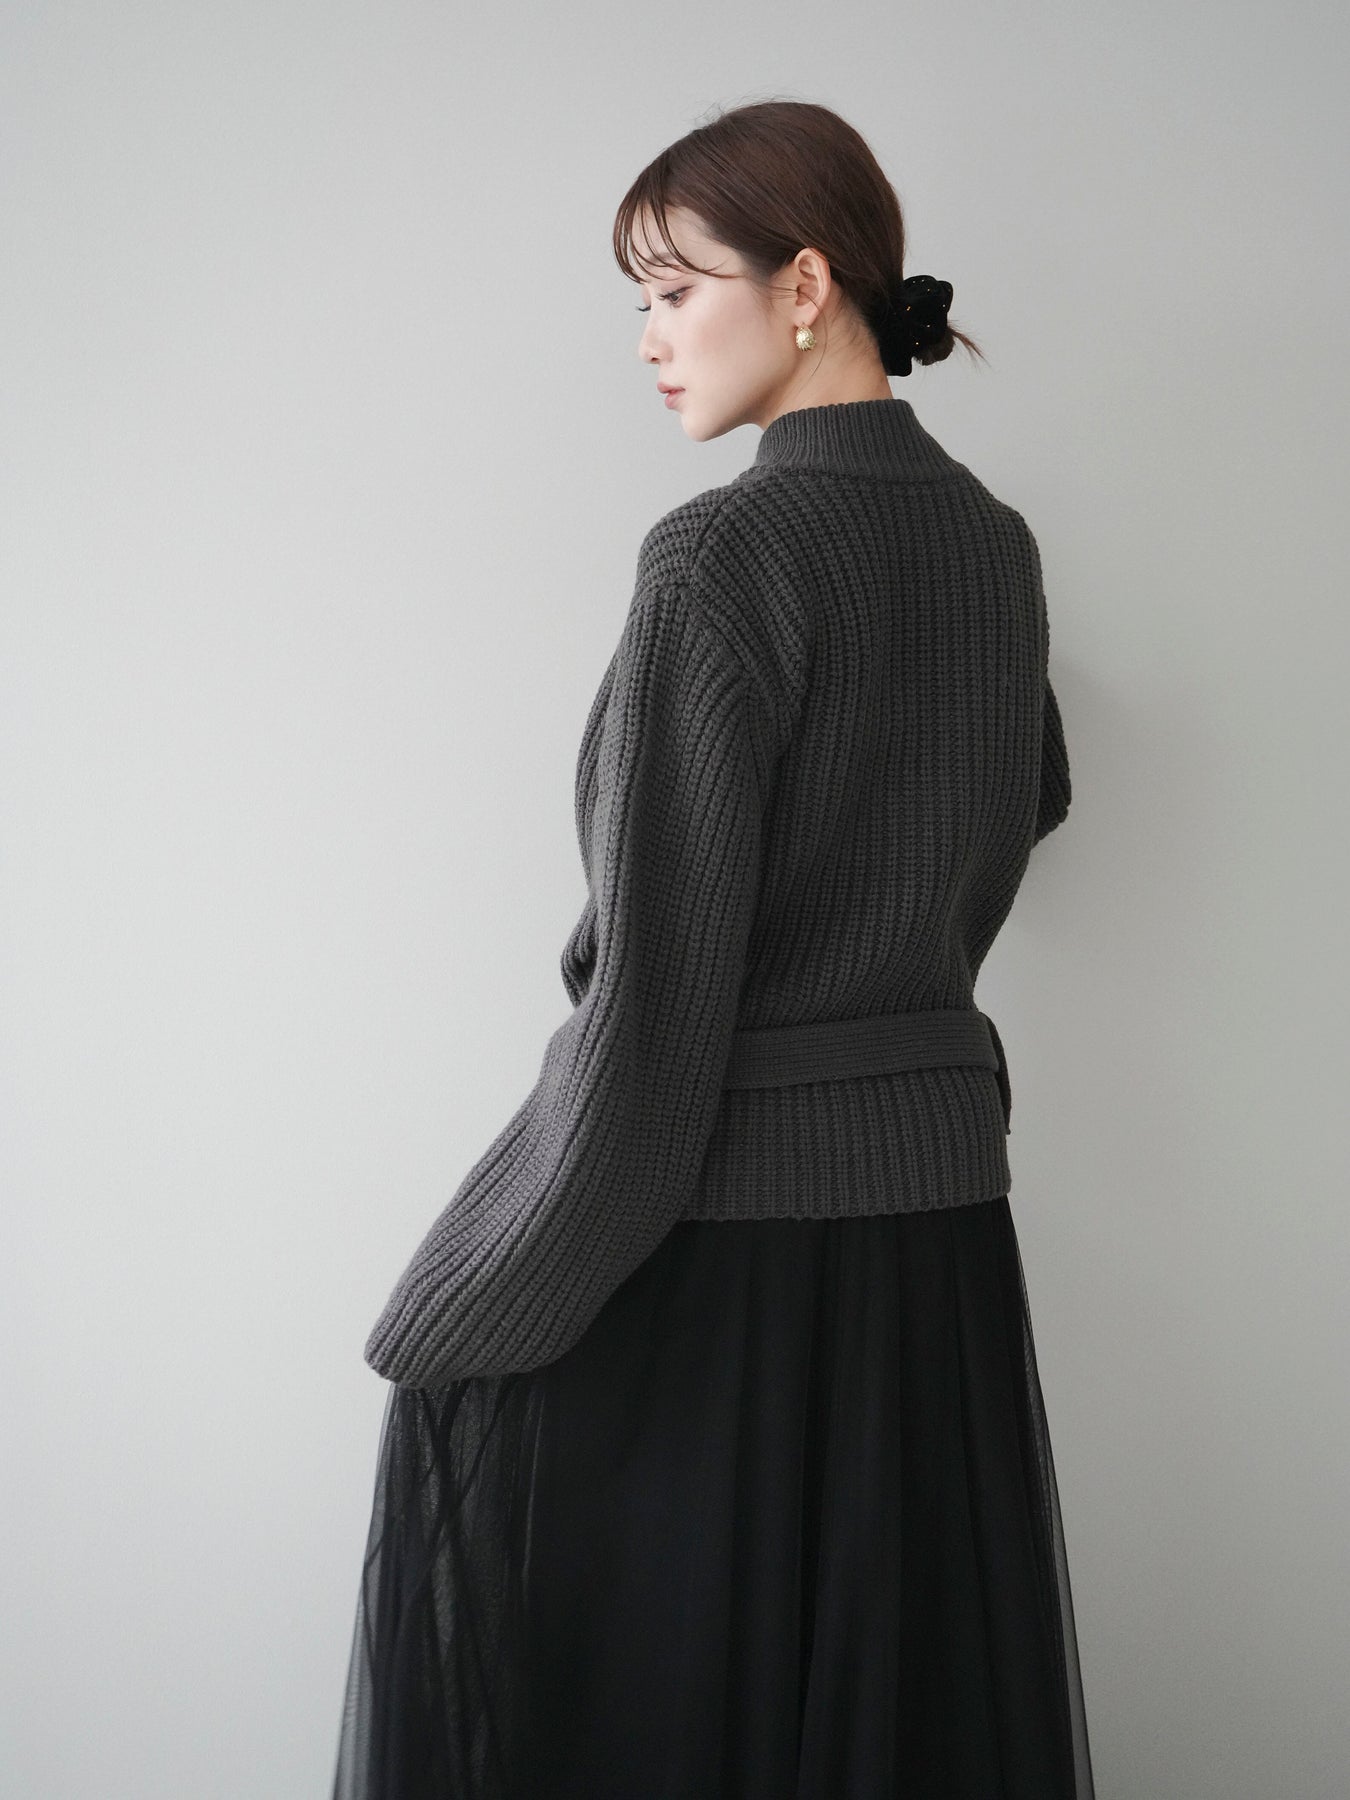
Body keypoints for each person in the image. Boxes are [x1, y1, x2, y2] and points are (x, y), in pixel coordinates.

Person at [331, 98, 1095, 1799]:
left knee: (662, 1716)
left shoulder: (723, 554)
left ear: (805, 286)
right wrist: (887, 926)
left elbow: (659, 1007)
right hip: (937, 1248)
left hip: (728, 1249)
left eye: (676, 292)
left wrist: (477, 1289)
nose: (648, 338)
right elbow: (1027, 791)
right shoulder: (991, 543)